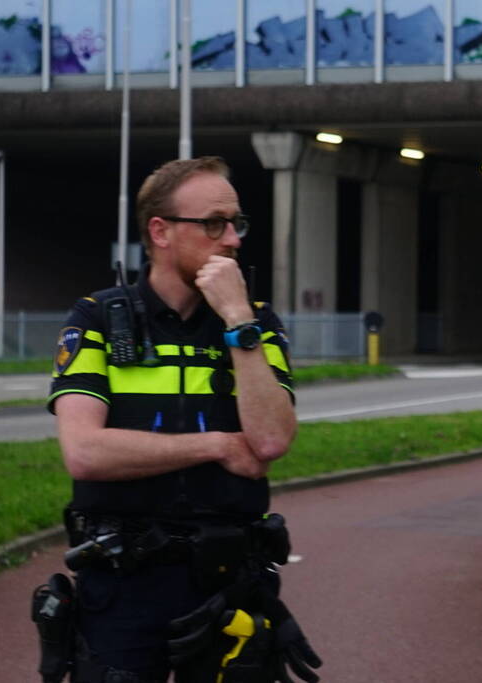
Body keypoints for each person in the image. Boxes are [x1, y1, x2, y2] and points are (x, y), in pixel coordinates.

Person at [42, 157, 320, 683]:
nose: (233, 239)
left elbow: (270, 439)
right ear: (161, 231)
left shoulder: (256, 325)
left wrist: (239, 323)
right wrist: (215, 445)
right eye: (214, 223)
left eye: (237, 223)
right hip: (122, 584)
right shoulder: (97, 318)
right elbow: (83, 452)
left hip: (229, 581)